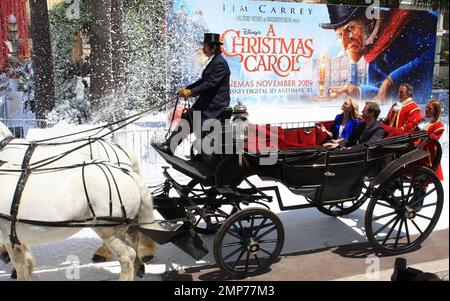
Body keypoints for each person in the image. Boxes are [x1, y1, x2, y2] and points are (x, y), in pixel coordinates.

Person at [321, 5, 437, 104]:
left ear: (369, 21)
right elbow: (381, 93)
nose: (345, 44)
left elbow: (431, 57)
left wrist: (392, 80)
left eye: (350, 29)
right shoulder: (372, 53)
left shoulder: (413, 21)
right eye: (340, 35)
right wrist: (357, 91)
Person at [158, 33, 231, 155]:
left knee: (196, 123)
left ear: (213, 48)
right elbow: (203, 81)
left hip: (215, 105)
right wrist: (186, 89)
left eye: (205, 46)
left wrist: (190, 92)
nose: (203, 49)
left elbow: (210, 84)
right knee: (187, 119)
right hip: (207, 102)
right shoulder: (214, 61)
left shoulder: (220, 63)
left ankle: (204, 155)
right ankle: (170, 146)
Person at [418, 99, 445, 181]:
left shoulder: (438, 125)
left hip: (428, 155)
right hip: (417, 151)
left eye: (430, 109)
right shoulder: (422, 120)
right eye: (426, 107)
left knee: (422, 182)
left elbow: (433, 140)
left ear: (435, 111)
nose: (426, 110)